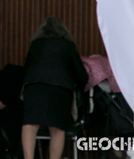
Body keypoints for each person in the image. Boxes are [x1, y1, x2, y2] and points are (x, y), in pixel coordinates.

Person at [21, 18, 88, 159]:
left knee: (30, 124)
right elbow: (81, 74)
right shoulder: (68, 45)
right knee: (57, 128)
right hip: (60, 88)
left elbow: (26, 69)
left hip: (34, 86)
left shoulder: (35, 45)